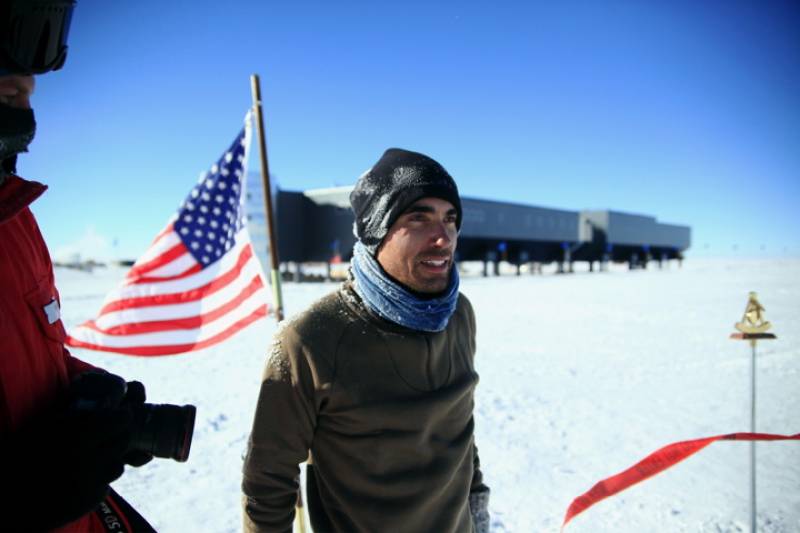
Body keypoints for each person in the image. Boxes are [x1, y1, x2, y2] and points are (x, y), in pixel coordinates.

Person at [242, 148, 491, 532]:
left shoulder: (459, 315)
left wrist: (477, 507)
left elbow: (461, 428)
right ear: (376, 231)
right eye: (418, 218)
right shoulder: (310, 339)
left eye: (450, 218)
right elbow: (267, 482)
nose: (443, 238)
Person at [1, 2, 155, 530]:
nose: (24, 87)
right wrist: (20, 500)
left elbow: (30, 359)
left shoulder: (14, 217)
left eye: (24, 77)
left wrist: (94, 396)